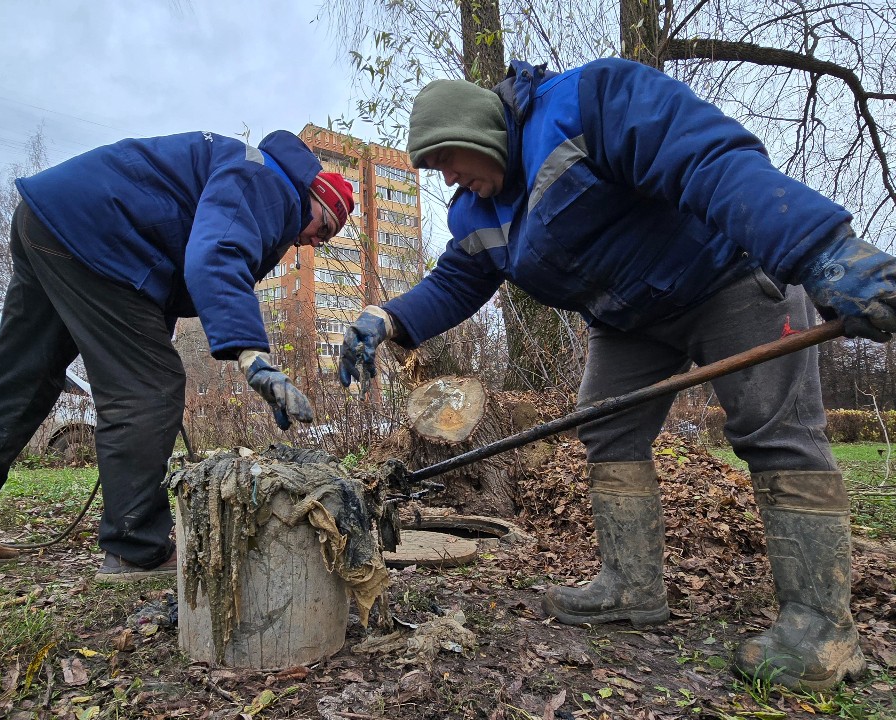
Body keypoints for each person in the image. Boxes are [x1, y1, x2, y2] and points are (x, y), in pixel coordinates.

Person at [338, 59, 896, 690]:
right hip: (631, 321)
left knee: (774, 430)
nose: (448, 179)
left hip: (726, 277)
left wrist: (817, 246)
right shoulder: (476, 214)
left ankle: (822, 629)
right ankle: (630, 589)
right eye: (434, 169)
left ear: (482, 131)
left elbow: (704, 157)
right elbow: (457, 281)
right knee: (606, 428)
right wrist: (383, 318)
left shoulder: (587, 102)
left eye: (448, 158)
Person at [0, 129, 355, 582]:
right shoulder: (268, 183)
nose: (315, 241)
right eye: (324, 227)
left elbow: (174, 253)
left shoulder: (254, 174)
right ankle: (136, 548)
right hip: (97, 235)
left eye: (326, 239)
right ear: (313, 195)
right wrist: (253, 357)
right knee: (148, 388)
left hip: (53, 219)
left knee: (20, 377)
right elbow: (215, 254)